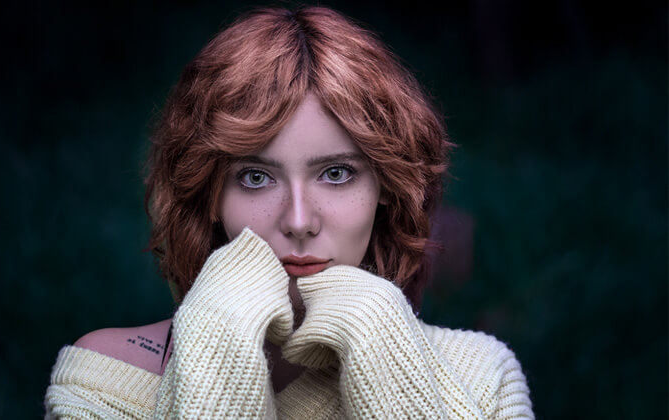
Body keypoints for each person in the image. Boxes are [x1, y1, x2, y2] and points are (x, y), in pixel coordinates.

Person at [44, 6, 534, 419]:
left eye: (336, 173)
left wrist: (383, 350)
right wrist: (216, 341)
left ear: (386, 184)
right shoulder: (104, 384)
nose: (299, 221)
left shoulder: (481, 379)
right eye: (256, 177)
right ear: (209, 192)